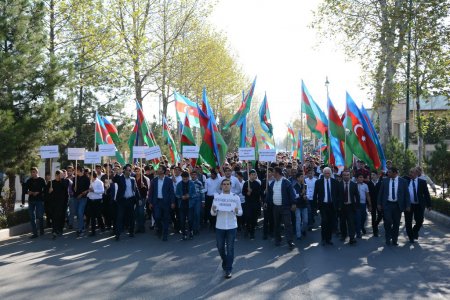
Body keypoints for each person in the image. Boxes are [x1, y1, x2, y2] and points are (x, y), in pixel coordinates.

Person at [211, 178, 243, 279]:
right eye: (224, 184)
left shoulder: (235, 198)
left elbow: (241, 212)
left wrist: (237, 211)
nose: (225, 185)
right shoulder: (217, 198)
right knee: (220, 247)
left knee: (230, 248)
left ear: (230, 185)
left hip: (231, 226)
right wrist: (213, 210)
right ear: (221, 186)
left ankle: (228, 269)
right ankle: (225, 261)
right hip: (220, 226)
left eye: (227, 184)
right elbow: (212, 213)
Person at [377, 167, 410, 246]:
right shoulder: (385, 181)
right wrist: (379, 204)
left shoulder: (403, 181)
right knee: (387, 221)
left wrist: (408, 205)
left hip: (397, 205)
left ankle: (394, 239)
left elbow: (406, 194)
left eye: (389, 172)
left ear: (395, 173)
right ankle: (388, 237)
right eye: (388, 172)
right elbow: (380, 193)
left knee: (396, 223)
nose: (388, 173)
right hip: (387, 204)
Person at [267, 167, 296, 250]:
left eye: (273, 172)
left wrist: (293, 203)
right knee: (277, 224)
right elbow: (269, 194)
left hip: (285, 207)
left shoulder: (286, 182)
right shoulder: (272, 183)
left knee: (288, 224)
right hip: (275, 207)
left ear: (277, 173)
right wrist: (266, 202)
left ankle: (290, 241)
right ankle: (277, 239)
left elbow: (291, 193)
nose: (272, 174)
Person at [313, 167, 340, 246]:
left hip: (332, 205)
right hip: (323, 205)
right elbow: (315, 194)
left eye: (329, 173)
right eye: (326, 173)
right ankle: (323, 239)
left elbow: (338, 195)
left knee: (330, 223)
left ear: (331, 174)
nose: (327, 175)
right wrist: (315, 206)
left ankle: (329, 239)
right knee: (324, 222)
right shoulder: (318, 182)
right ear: (323, 173)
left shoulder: (335, 182)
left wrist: (338, 205)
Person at [149, 165, 176, 241]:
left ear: (163, 171)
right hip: (157, 202)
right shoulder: (154, 180)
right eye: (158, 169)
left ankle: (165, 234)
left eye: (159, 169)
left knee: (166, 218)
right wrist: (150, 202)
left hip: (166, 202)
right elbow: (151, 192)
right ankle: (159, 228)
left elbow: (171, 192)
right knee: (157, 217)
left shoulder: (168, 180)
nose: (158, 170)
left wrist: (172, 202)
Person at [114, 164, 140, 241]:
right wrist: (119, 172)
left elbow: (136, 189)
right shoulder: (120, 178)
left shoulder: (132, 179)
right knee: (120, 217)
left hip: (130, 200)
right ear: (124, 171)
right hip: (122, 201)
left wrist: (139, 199)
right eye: (128, 170)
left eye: (130, 170)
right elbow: (114, 179)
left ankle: (131, 232)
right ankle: (117, 234)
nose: (130, 171)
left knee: (131, 217)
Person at [405, 168, 431, 243]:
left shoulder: (422, 182)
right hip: (409, 205)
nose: (410, 174)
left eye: (412, 172)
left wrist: (429, 205)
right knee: (408, 221)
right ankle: (411, 237)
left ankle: (415, 230)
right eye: (410, 172)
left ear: (416, 174)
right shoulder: (406, 181)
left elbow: (426, 194)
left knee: (420, 220)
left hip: (419, 205)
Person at [338, 170, 359, 244]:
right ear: (342, 176)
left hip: (350, 206)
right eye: (344, 175)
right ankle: (343, 235)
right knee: (342, 222)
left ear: (350, 176)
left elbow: (357, 196)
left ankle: (352, 238)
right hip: (342, 207)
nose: (346, 176)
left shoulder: (354, 184)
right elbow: (337, 197)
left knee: (351, 223)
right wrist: (338, 206)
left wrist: (357, 206)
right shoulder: (339, 185)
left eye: (347, 175)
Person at [24, 167, 47, 238]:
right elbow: (25, 190)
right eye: (31, 172)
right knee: (32, 217)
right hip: (31, 200)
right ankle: (35, 233)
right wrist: (28, 192)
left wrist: (39, 192)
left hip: (39, 200)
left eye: (34, 172)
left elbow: (45, 189)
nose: (33, 173)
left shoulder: (41, 180)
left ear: (37, 172)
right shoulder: (29, 180)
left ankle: (41, 230)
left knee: (40, 216)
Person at [47, 170, 69, 238]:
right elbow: (46, 193)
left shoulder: (65, 181)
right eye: (58, 175)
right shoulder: (51, 183)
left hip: (63, 203)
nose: (59, 176)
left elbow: (65, 186)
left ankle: (60, 228)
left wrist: (62, 178)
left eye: (61, 175)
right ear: (55, 175)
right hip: (53, 203)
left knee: (61, 216)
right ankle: (54, 230)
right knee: (54, 216)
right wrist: (49, 191)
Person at [242, 169, 262, 240]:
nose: (253, 176)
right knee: (248, 218)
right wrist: (247, 193)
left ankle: (252, 233)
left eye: (254, 175)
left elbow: (259, 193)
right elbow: (243, 192)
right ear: (249, 175)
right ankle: (247, 229)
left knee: (254, 219)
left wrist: (252, 191)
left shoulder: (257, 183)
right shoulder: (246, 183)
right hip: (248, 204)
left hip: (255, 203)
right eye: (252, 175)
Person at [176, 171, 196, 240]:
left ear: (188, 177)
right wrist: (181, 196)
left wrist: (189, 196)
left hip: (190, 205)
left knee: (190, 219)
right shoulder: (179, 184)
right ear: (182, 178)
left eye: (186, 179)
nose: (185, 180)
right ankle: (184, 234)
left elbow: (195, 194)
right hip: (181, 205)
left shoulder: (192, 184)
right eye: (183, 179)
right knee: (182, 220)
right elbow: (176, 194)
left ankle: (191, 231)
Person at [73, 166, 91, 237]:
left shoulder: (86, 178)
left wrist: (81, 194)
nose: (75, 172)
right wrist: (73, 188)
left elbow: (87, 189)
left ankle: (80, 229)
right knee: (77, 213)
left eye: (76, 170)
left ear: (79, 171)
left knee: (80, 212)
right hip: (75, 198)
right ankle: (81, 226)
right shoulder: (75, 178)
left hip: (83, 198)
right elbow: (73, 188)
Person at [86, 172, 105, 236]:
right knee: (92, 216)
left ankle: (102, 226)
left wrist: (94, 190)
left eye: (89, 175)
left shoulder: (100, 182)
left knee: (98, 215)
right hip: (91, 200)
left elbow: (102, 191)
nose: (88, 177)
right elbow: (90, 190)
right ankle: (93, 231)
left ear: (93, 176)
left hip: (97, 201)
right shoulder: (90, 181)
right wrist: (88, 194)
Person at [292, 173, 308, 239]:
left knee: (305, 221)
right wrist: (301, 194)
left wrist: (306, 196)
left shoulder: (305, 185)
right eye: (301, 177)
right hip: (297, 205)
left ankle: (302, 230)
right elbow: (295, 196)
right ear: (298, 178)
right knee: (298, 220)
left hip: (304, 205)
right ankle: (298, 235)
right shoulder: (294, 186)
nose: (302, 178)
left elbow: (308, 194)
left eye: (303, 177)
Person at [134, 166, 150, 234]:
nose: (137, 172)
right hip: (135, 198)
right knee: (136, 212)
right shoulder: (133, 178)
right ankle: (138, 227)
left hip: (142, 197)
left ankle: (142, 227)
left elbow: (147, 189)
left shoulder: (144, 179)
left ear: (141, 171)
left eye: (138, 171)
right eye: (136, 171)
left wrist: (144, 186)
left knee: (141, 212)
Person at [355, 174, 371, 238]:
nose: (361, 179)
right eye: (360, 177)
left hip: (363, 204)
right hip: (356, 204)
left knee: (364, 217)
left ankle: (362, 226)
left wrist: (370, 205)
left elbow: (367, 195)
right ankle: (358, 232)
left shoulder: (365, 185)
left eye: (362, 177)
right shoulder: (354, 185)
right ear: (357, 178)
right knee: (358, 218)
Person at [190, 170, 205, 235]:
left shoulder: (199, 183)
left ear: (196, 175)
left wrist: (203, 201)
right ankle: (192, 228)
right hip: (190, 200)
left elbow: (202, 192)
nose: (193, 176)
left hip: (198, 200)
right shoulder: (189, 182)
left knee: (197, 214)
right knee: (191, 214)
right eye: (192, 175)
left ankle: (197, 228)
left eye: (195, 175)